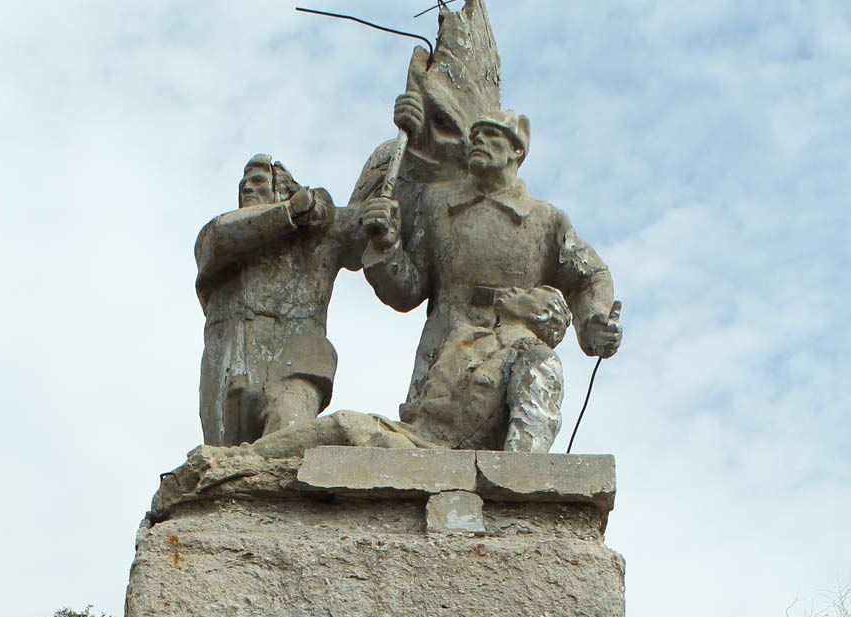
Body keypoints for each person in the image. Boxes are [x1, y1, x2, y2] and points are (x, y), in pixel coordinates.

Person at [360, 95, 622, 452]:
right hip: (445, 354)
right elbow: (407, 289)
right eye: (475, 135)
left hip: (514, 349)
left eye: (491, 135)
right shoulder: (437, 204)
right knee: (425, 453)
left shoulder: (546, 220)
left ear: (516, 151)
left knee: (519, 441)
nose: (477, 142)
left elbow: (589, 275)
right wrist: (386, 244)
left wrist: (595, 321)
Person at [195, 154, 365, 446]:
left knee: (287, 444)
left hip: (296, 364)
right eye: (243, 184)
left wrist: (371, 218)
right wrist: (292, 211)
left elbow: (362, 229)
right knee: (222, 465)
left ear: (283, 189)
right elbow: (222, 236)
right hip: (229, 366)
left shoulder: (318, 235)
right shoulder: (218, 234)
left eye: (258, 181)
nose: (247, 188)